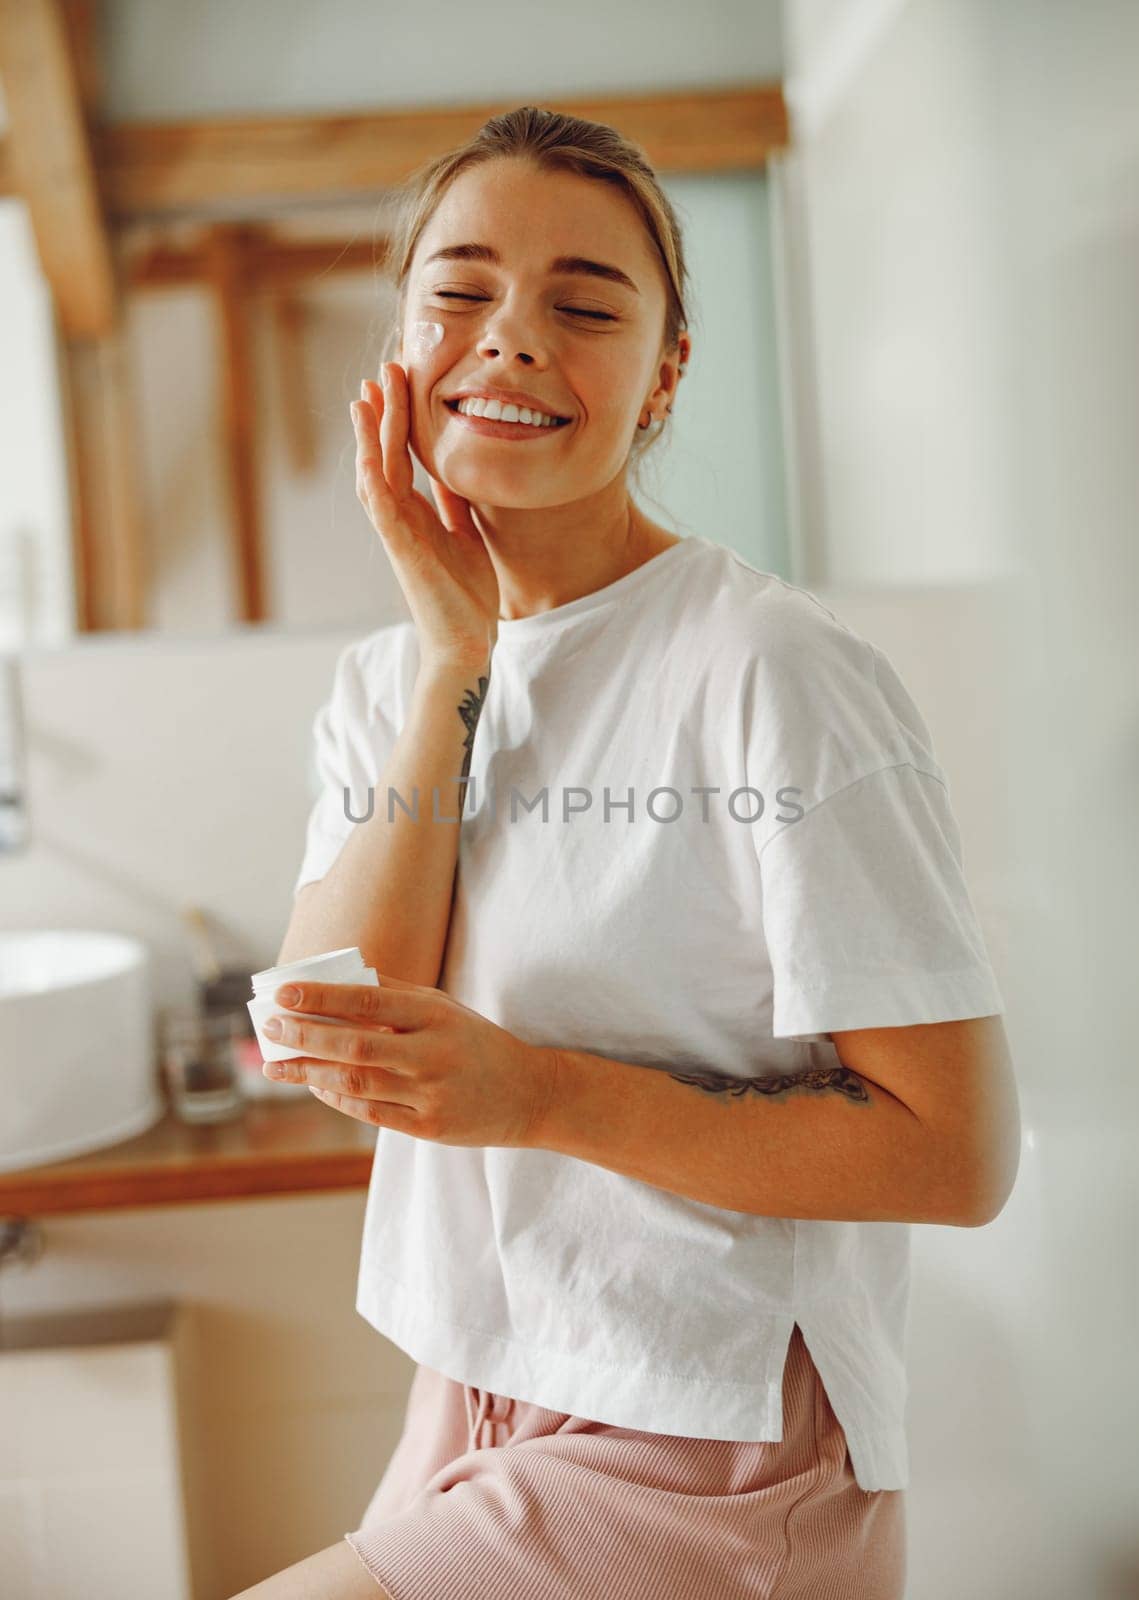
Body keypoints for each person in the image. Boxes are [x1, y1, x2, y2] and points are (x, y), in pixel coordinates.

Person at [231, 106, 1020, 1600]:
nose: (513, 339)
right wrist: (458, 659)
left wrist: (536, 1092)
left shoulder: (767, 666)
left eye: (585, 307)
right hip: (476, 1375)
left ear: (664, 372)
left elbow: (957, 1152)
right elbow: (343, 1024)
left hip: (717, 1439)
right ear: (395, 346)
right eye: (459, 293)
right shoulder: (388, 683)